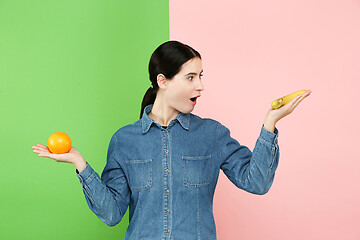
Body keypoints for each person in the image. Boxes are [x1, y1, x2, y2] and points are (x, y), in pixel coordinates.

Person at [32, 40, 311, 239]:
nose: (200, 86)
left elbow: (257, 182)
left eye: (200, 76)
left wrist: (270, 123)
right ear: (163, 81)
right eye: (190, 77)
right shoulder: (124, 140)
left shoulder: (212, 134)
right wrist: (79, 162)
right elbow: (112, 214)